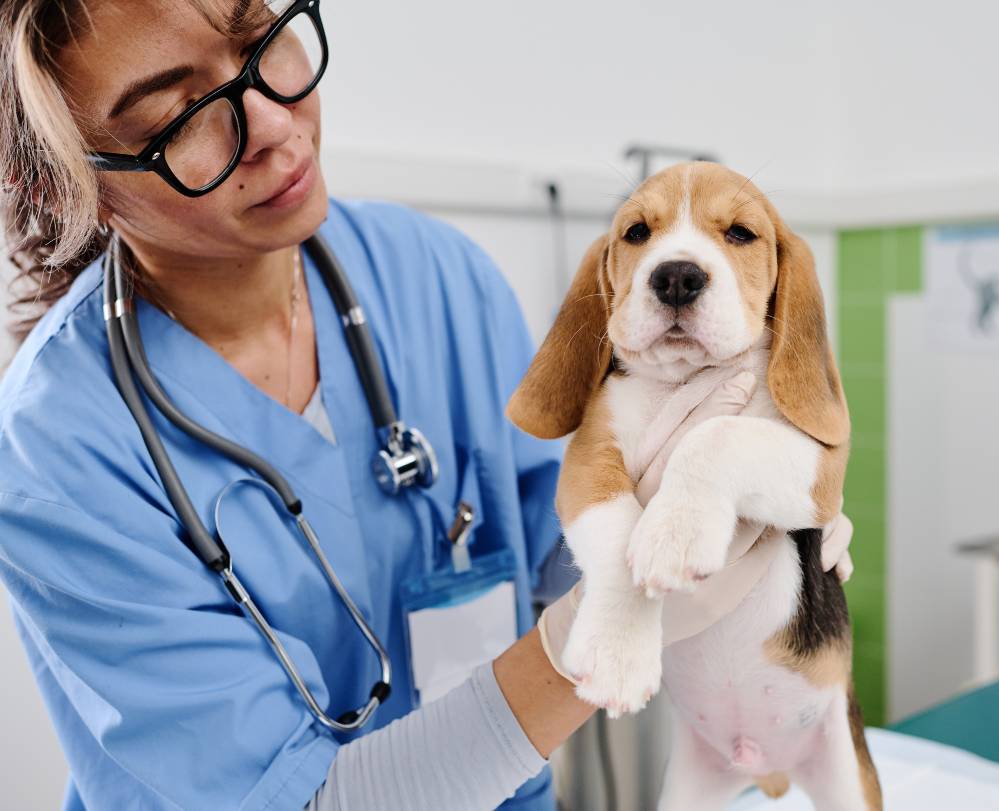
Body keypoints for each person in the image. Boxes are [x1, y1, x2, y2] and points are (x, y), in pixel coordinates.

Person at [0, 2, 852, 809]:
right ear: (61, 186)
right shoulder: (58, 446)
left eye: (262, 40)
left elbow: (544, 544)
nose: (267, 120)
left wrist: (708, 503)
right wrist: (589, 640)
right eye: (176, 119)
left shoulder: (435, 273)